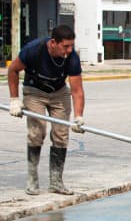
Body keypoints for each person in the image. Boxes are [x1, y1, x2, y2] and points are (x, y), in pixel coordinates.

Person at [7, 24, 86, 195]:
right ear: (53, 43)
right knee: (37, 131)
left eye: (71, 45)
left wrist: (79, 117)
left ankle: (56, 182)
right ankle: (32, 180)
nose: (69, 50)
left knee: (61, 134)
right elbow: (13, 70)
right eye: (65, 46)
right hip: (35, 91)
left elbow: (77, 90)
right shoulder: (34, 50)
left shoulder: (71, 57)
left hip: (58, 92)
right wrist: (14, 100)